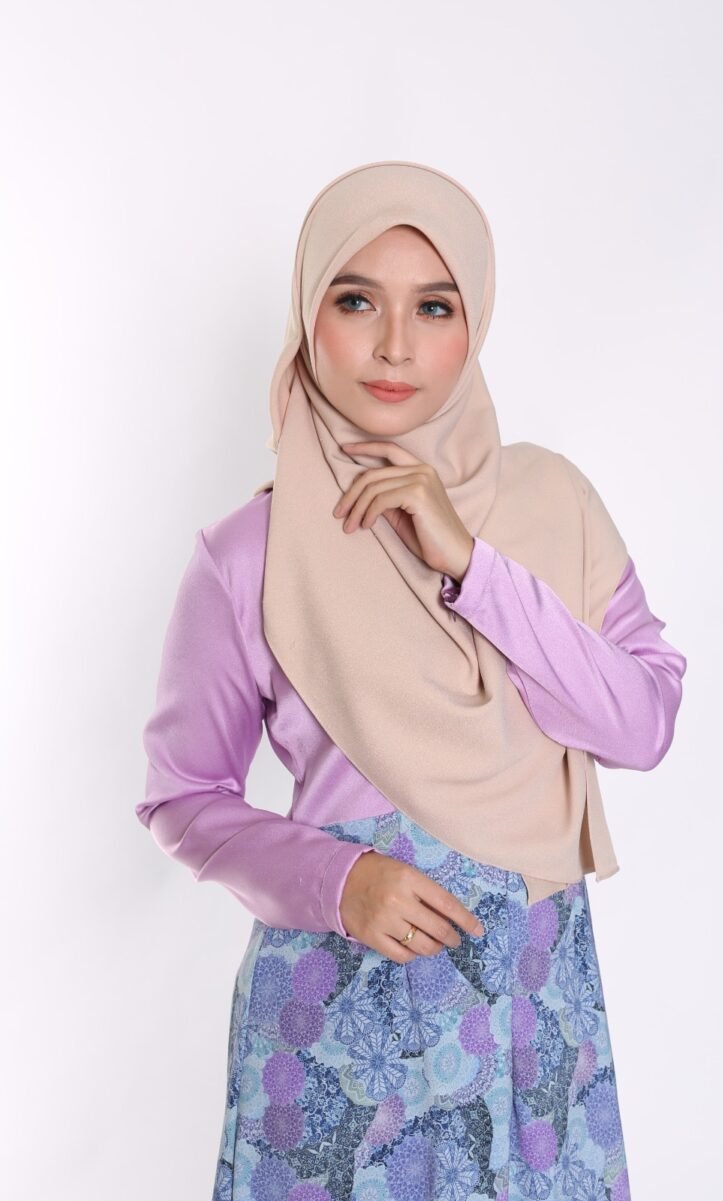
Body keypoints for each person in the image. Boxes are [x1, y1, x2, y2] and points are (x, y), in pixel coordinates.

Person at [137, 160, 687, 1201]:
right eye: (356, 301)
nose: (394, 344)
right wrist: (338, 880)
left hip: (528, 1012)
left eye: (433, 307)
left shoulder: (553, 506)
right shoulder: (249, 552)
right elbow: (181, 797)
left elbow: (641, 723)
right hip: (341, 1024)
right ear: (309, 316)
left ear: (472, 323)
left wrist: (473, 566)